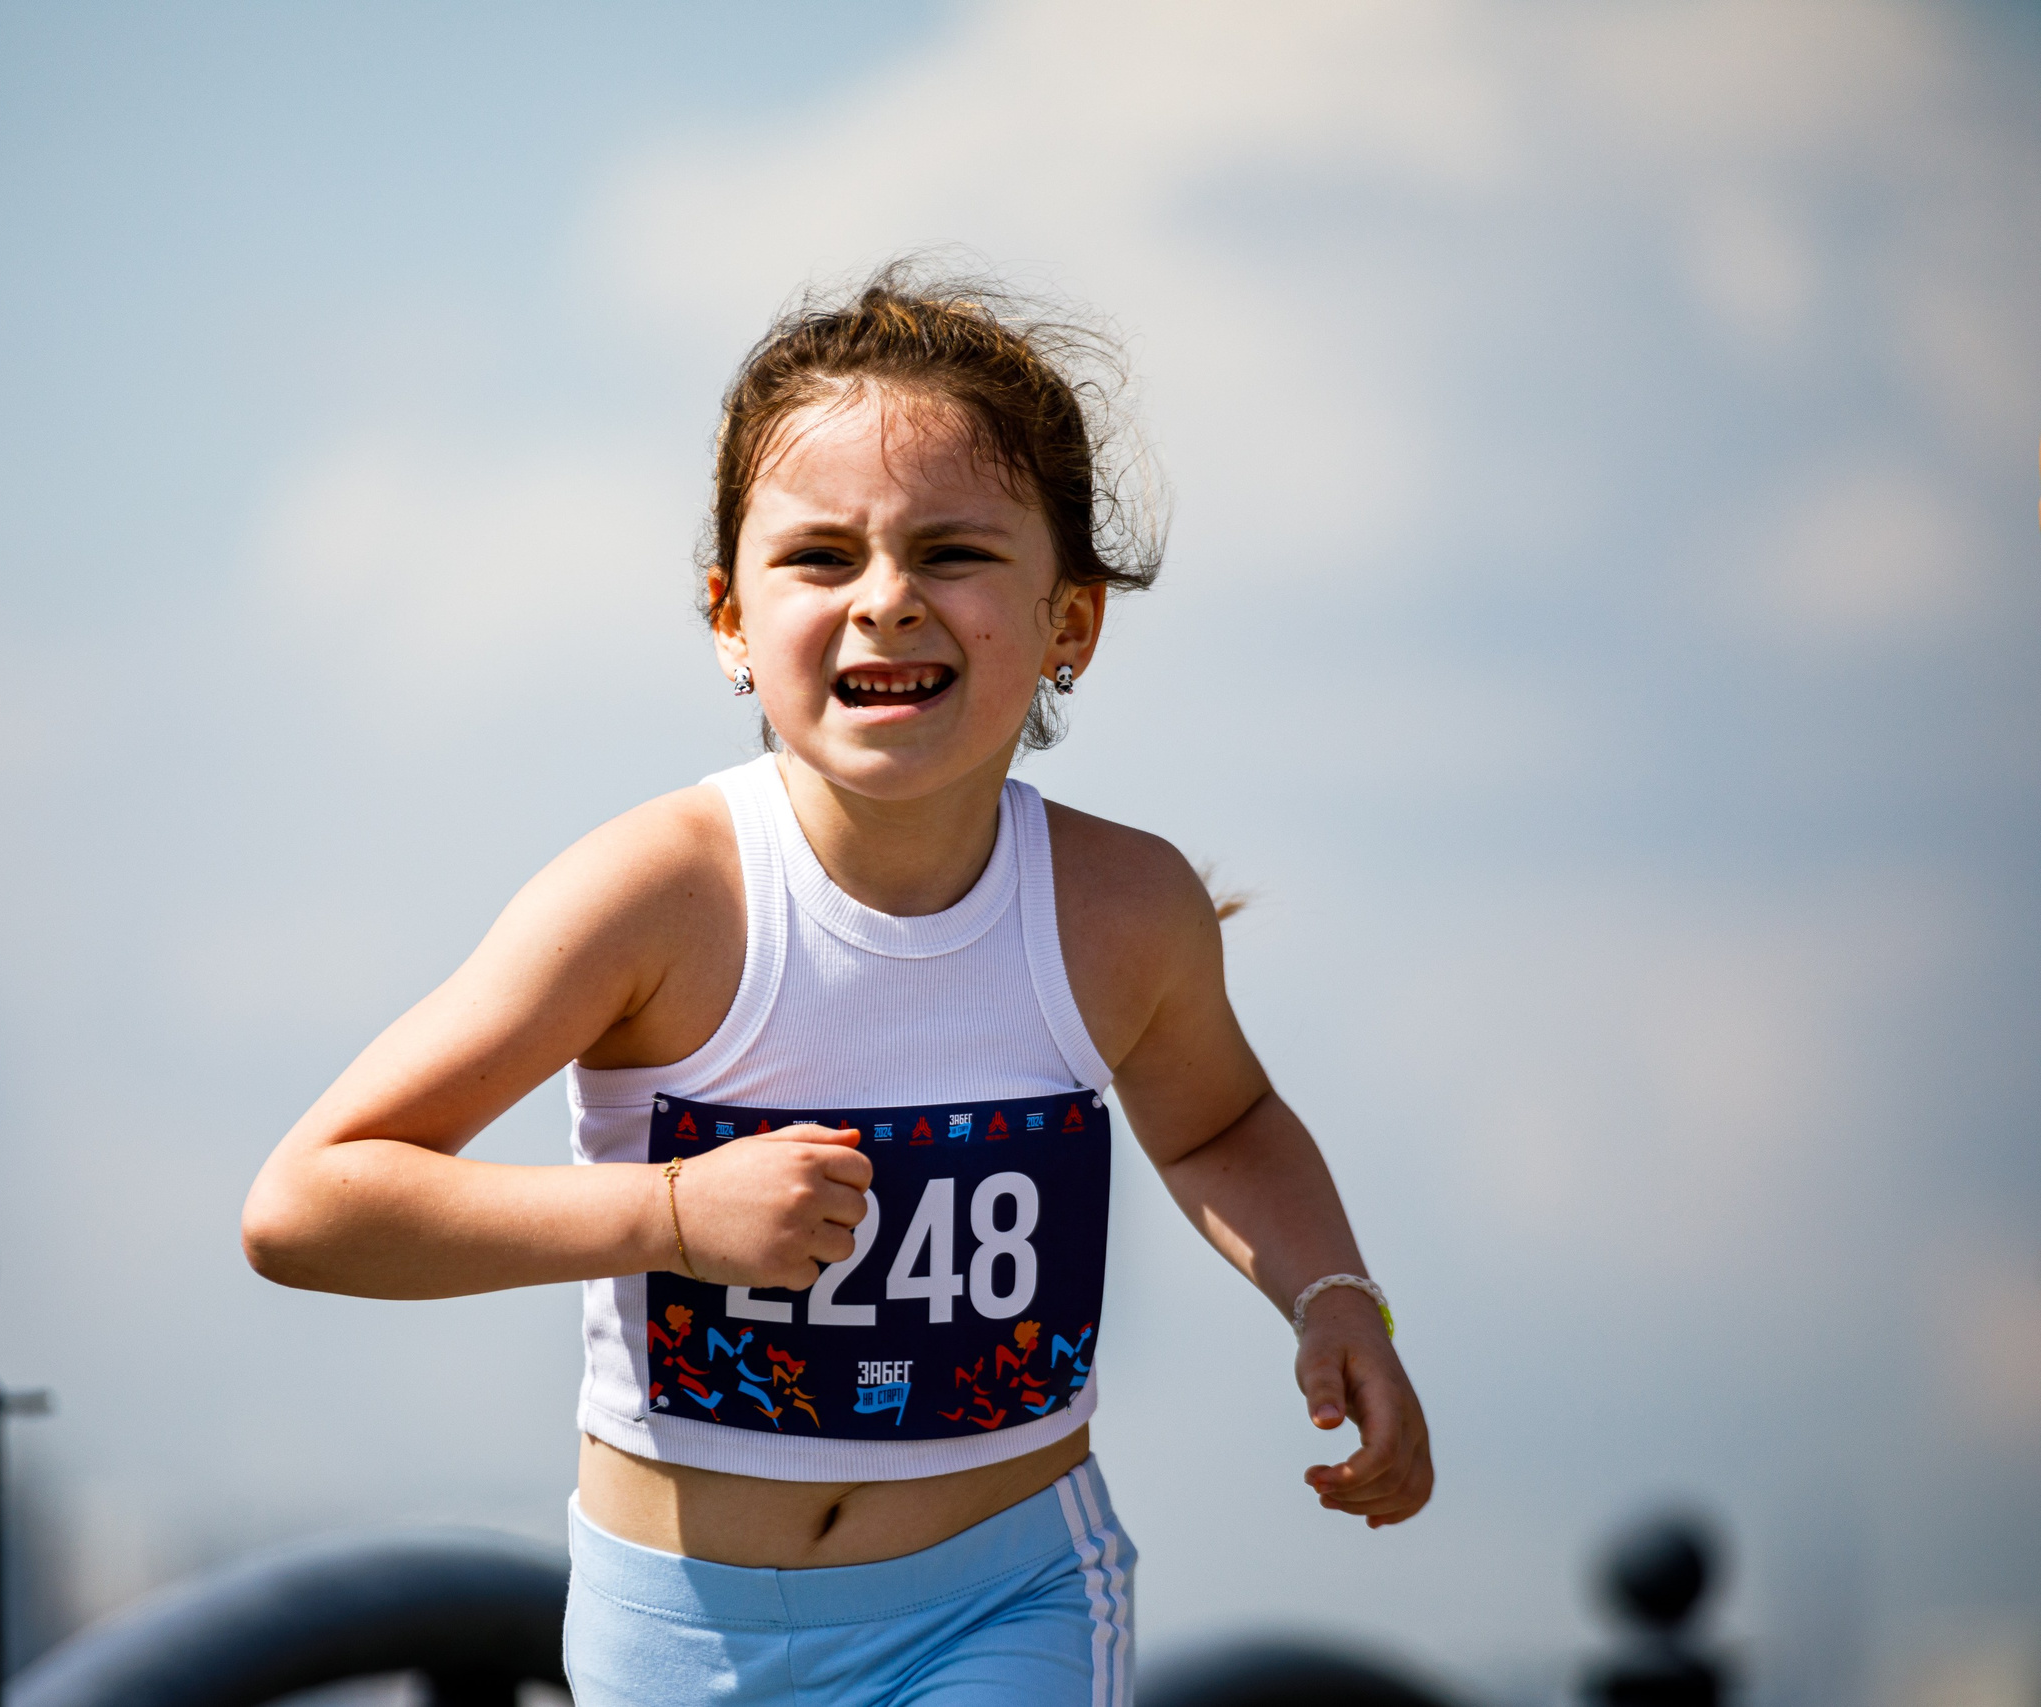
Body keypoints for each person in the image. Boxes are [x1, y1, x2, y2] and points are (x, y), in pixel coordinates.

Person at [242, 262, 1434, 1706]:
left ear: (1072, 623)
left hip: (1009, 1602)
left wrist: (1336, 1298)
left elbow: (1220, 1124)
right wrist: (672, 1215)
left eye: (953, 552)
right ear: (729, 619)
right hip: (681, 1628)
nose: (887, 601)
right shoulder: (659, 894)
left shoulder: (1125, 909)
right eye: (818, 557)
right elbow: (309, 1205)